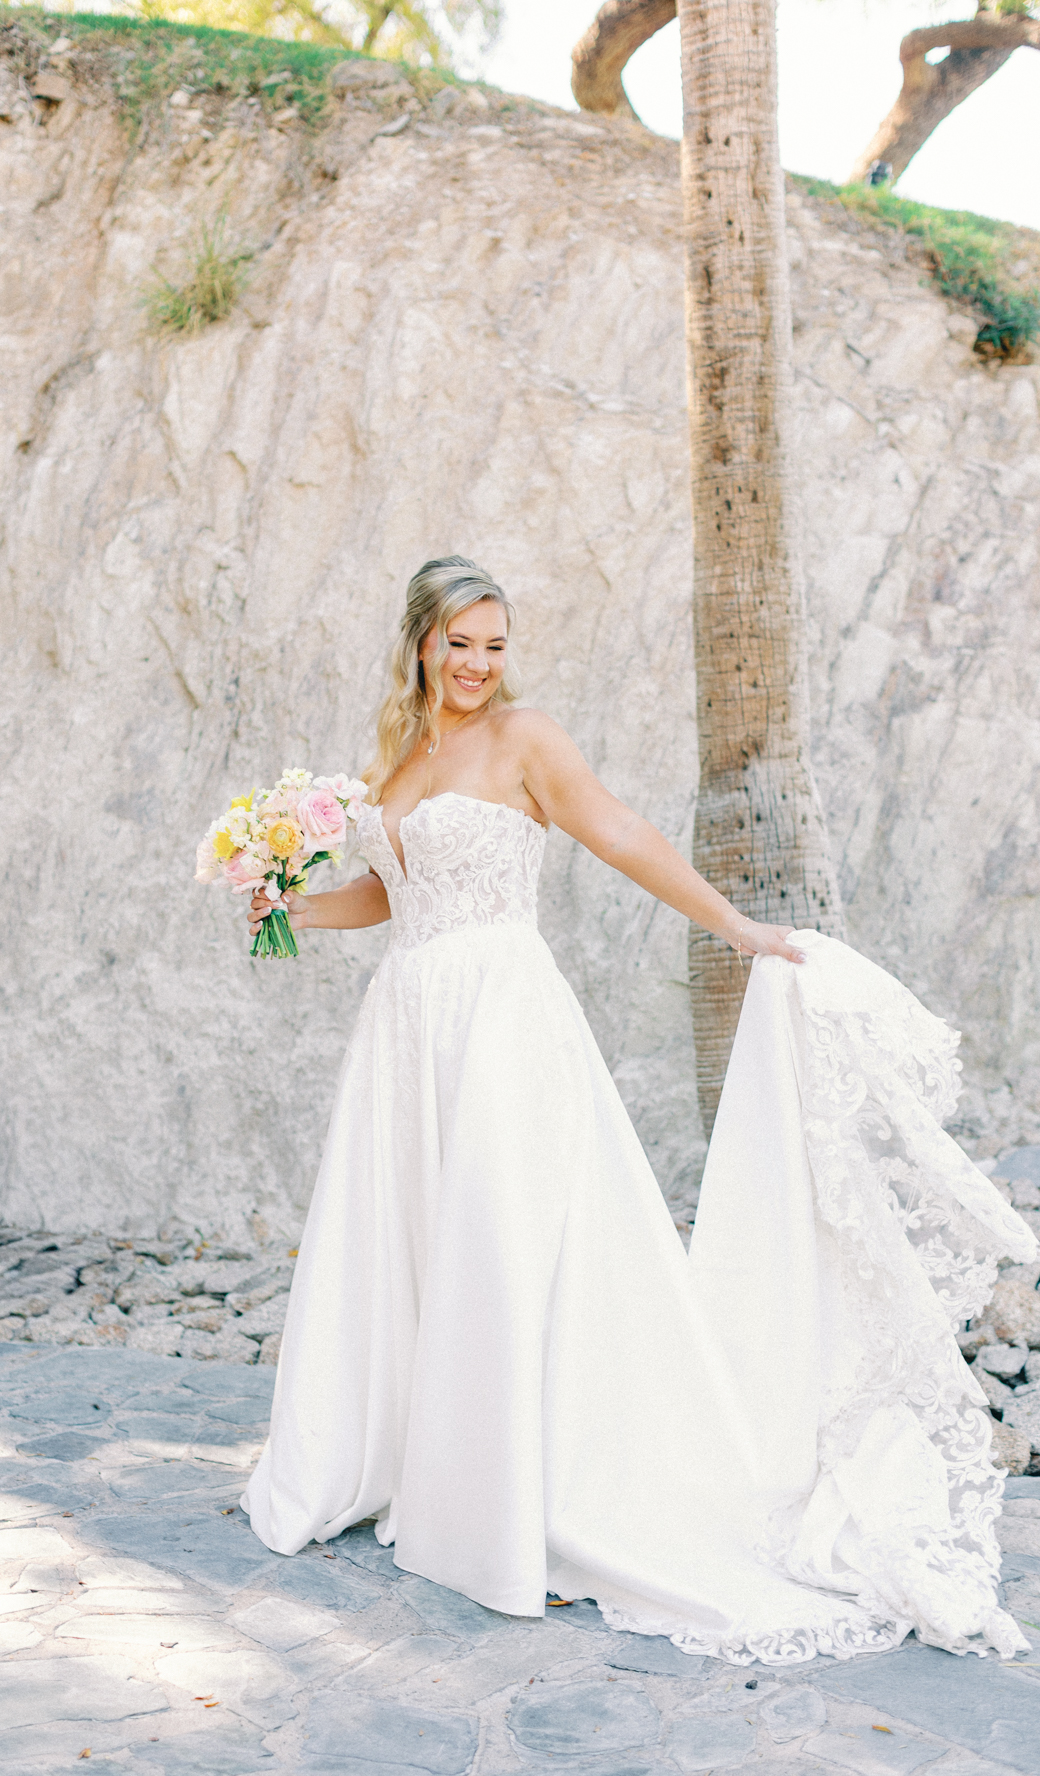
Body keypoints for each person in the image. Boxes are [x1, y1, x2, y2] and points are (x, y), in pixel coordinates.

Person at [239, 556, 1035, 1665]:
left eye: (495, 644)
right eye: (459, 642)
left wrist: (737, 927)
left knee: (507, 1248)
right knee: (419, 1246)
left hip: (502, 1019)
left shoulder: (527, 740)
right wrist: (284, 908)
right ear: (420, 641)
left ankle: (532, 1499)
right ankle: (435, 1472)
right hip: (408, 1028)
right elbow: (391, 893)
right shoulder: (395, 755)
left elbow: (617, 832)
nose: (477, 664)